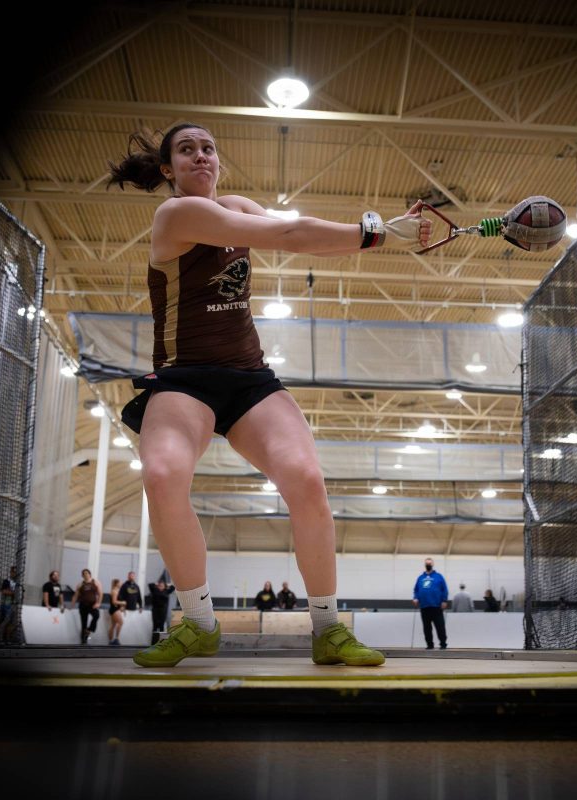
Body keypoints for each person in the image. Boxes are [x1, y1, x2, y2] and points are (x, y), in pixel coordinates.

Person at [108, 123, 430, 669]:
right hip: (184, 379)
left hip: (249, 379)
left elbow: (304, 239)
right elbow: (288, 235)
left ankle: (328, 629)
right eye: (186, 150)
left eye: (208, 148)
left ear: (218, 161)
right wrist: (375, 231)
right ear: (169, 170)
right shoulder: (176, 215)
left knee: (306, 481)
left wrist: (388, 233)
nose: (200, 156)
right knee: (162, 476)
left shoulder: (236, 206)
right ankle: (200, 624)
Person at [412, 558, 449, 649]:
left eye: (430, 563)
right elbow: (416, 590)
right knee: (427, 628)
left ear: (432, 564)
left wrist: (444, 600)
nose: (428, 565)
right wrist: (415, 598)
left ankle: (443, 644)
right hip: (424, 606)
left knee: (440, 626)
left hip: (436, 606)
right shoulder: (420, 578)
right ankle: (429, 644)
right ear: (425, 565)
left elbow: (444, 589)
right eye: (427, 563)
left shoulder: (438, 576)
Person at [71, 568, 103, 644]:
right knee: (83, 623)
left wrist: (98, 603)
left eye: (87, 573)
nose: (86, 574)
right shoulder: (80, 584)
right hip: (83, 605)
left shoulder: (95, 582)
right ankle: (83, 640)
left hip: (92, 605)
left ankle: (89, 630)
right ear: (82, 575)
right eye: (84, 573)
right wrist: (72, 606)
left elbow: (100, 593)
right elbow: (75, 596)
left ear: (90, 574)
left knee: (96, 615)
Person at [146, 579, 175, 645]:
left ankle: (161, 643)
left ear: (164, 586)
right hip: (155, 610)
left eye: (162, 585)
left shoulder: (166, 591)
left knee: (161, 625)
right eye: (159, 585)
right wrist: (157, 584)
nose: (160, 586)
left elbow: (173, 587)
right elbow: (150, 585)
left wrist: (167, 585)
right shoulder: (155, 590)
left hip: (163, 610)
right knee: (155, 626)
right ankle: (153, 643)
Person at [107, 578, 127, 646]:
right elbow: (114, 601)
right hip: (114, 609)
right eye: (120, 582)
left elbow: (116, 602)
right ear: (116, 583)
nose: (121, 583)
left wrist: (121, 606)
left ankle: (110, 641)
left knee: (113, 625)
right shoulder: (114, 591)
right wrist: (123, 603)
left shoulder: (117, 591)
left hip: (115, 609)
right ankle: (116, 639)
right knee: (121, 622)